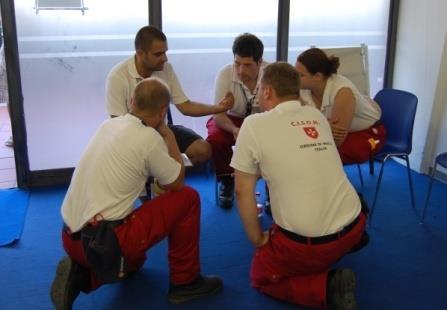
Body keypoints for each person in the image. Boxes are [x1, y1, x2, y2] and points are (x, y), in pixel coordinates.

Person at [51, 78, 223, 309]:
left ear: (132, 101)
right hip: (104, 243)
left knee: (137, 261)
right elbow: (176, 182)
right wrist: (169, 136)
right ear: (163, 112)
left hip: (71, 236)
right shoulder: (149, 139)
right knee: (188, 199)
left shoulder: (108, 125)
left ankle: (81, 275)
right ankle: (186, 282)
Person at [231, 62, 366, 309]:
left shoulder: (253, 124)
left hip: (310, 245)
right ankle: (337, 252)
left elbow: (242, 190)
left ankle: (327, 287)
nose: (259, 94)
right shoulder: (316, 116)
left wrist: (257, 238)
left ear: (268, 92)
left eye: (260, 88)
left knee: (261, 278)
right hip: (355, 225)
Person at [106, 25, 234, 166]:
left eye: (165, 52)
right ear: (140, 53)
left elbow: (185, 106)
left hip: (161, 128)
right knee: (146, 159)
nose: (165, 58)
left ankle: (165, 178)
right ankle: (161, 175)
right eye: (158, 54)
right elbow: (117, 124)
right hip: (132, 136)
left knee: (203, 150)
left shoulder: (166, 69)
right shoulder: (118, 76)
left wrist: (219, 107)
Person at [206, 33, 267, 208]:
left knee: (277, 139)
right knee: (216, 139)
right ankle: (226, 180)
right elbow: (218, 114)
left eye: (247, 65)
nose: (241, 71)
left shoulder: (271, 74)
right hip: (231, 119)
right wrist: (234, 129)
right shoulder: (225, 73)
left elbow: (277, 113)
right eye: (237, 63)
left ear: (260, 62)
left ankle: (273, 186)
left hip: (261, 121)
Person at [295, 47, 386, 164]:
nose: (295, 78)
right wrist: (324, 124)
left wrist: (316, 123)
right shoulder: (303, 87)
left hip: (368, 133)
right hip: (340, 134)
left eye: (300, 75)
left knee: (321, 152)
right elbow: (297, 119)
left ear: (317, 76)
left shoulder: (343, 92)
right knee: (299, 147)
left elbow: (337, 140)